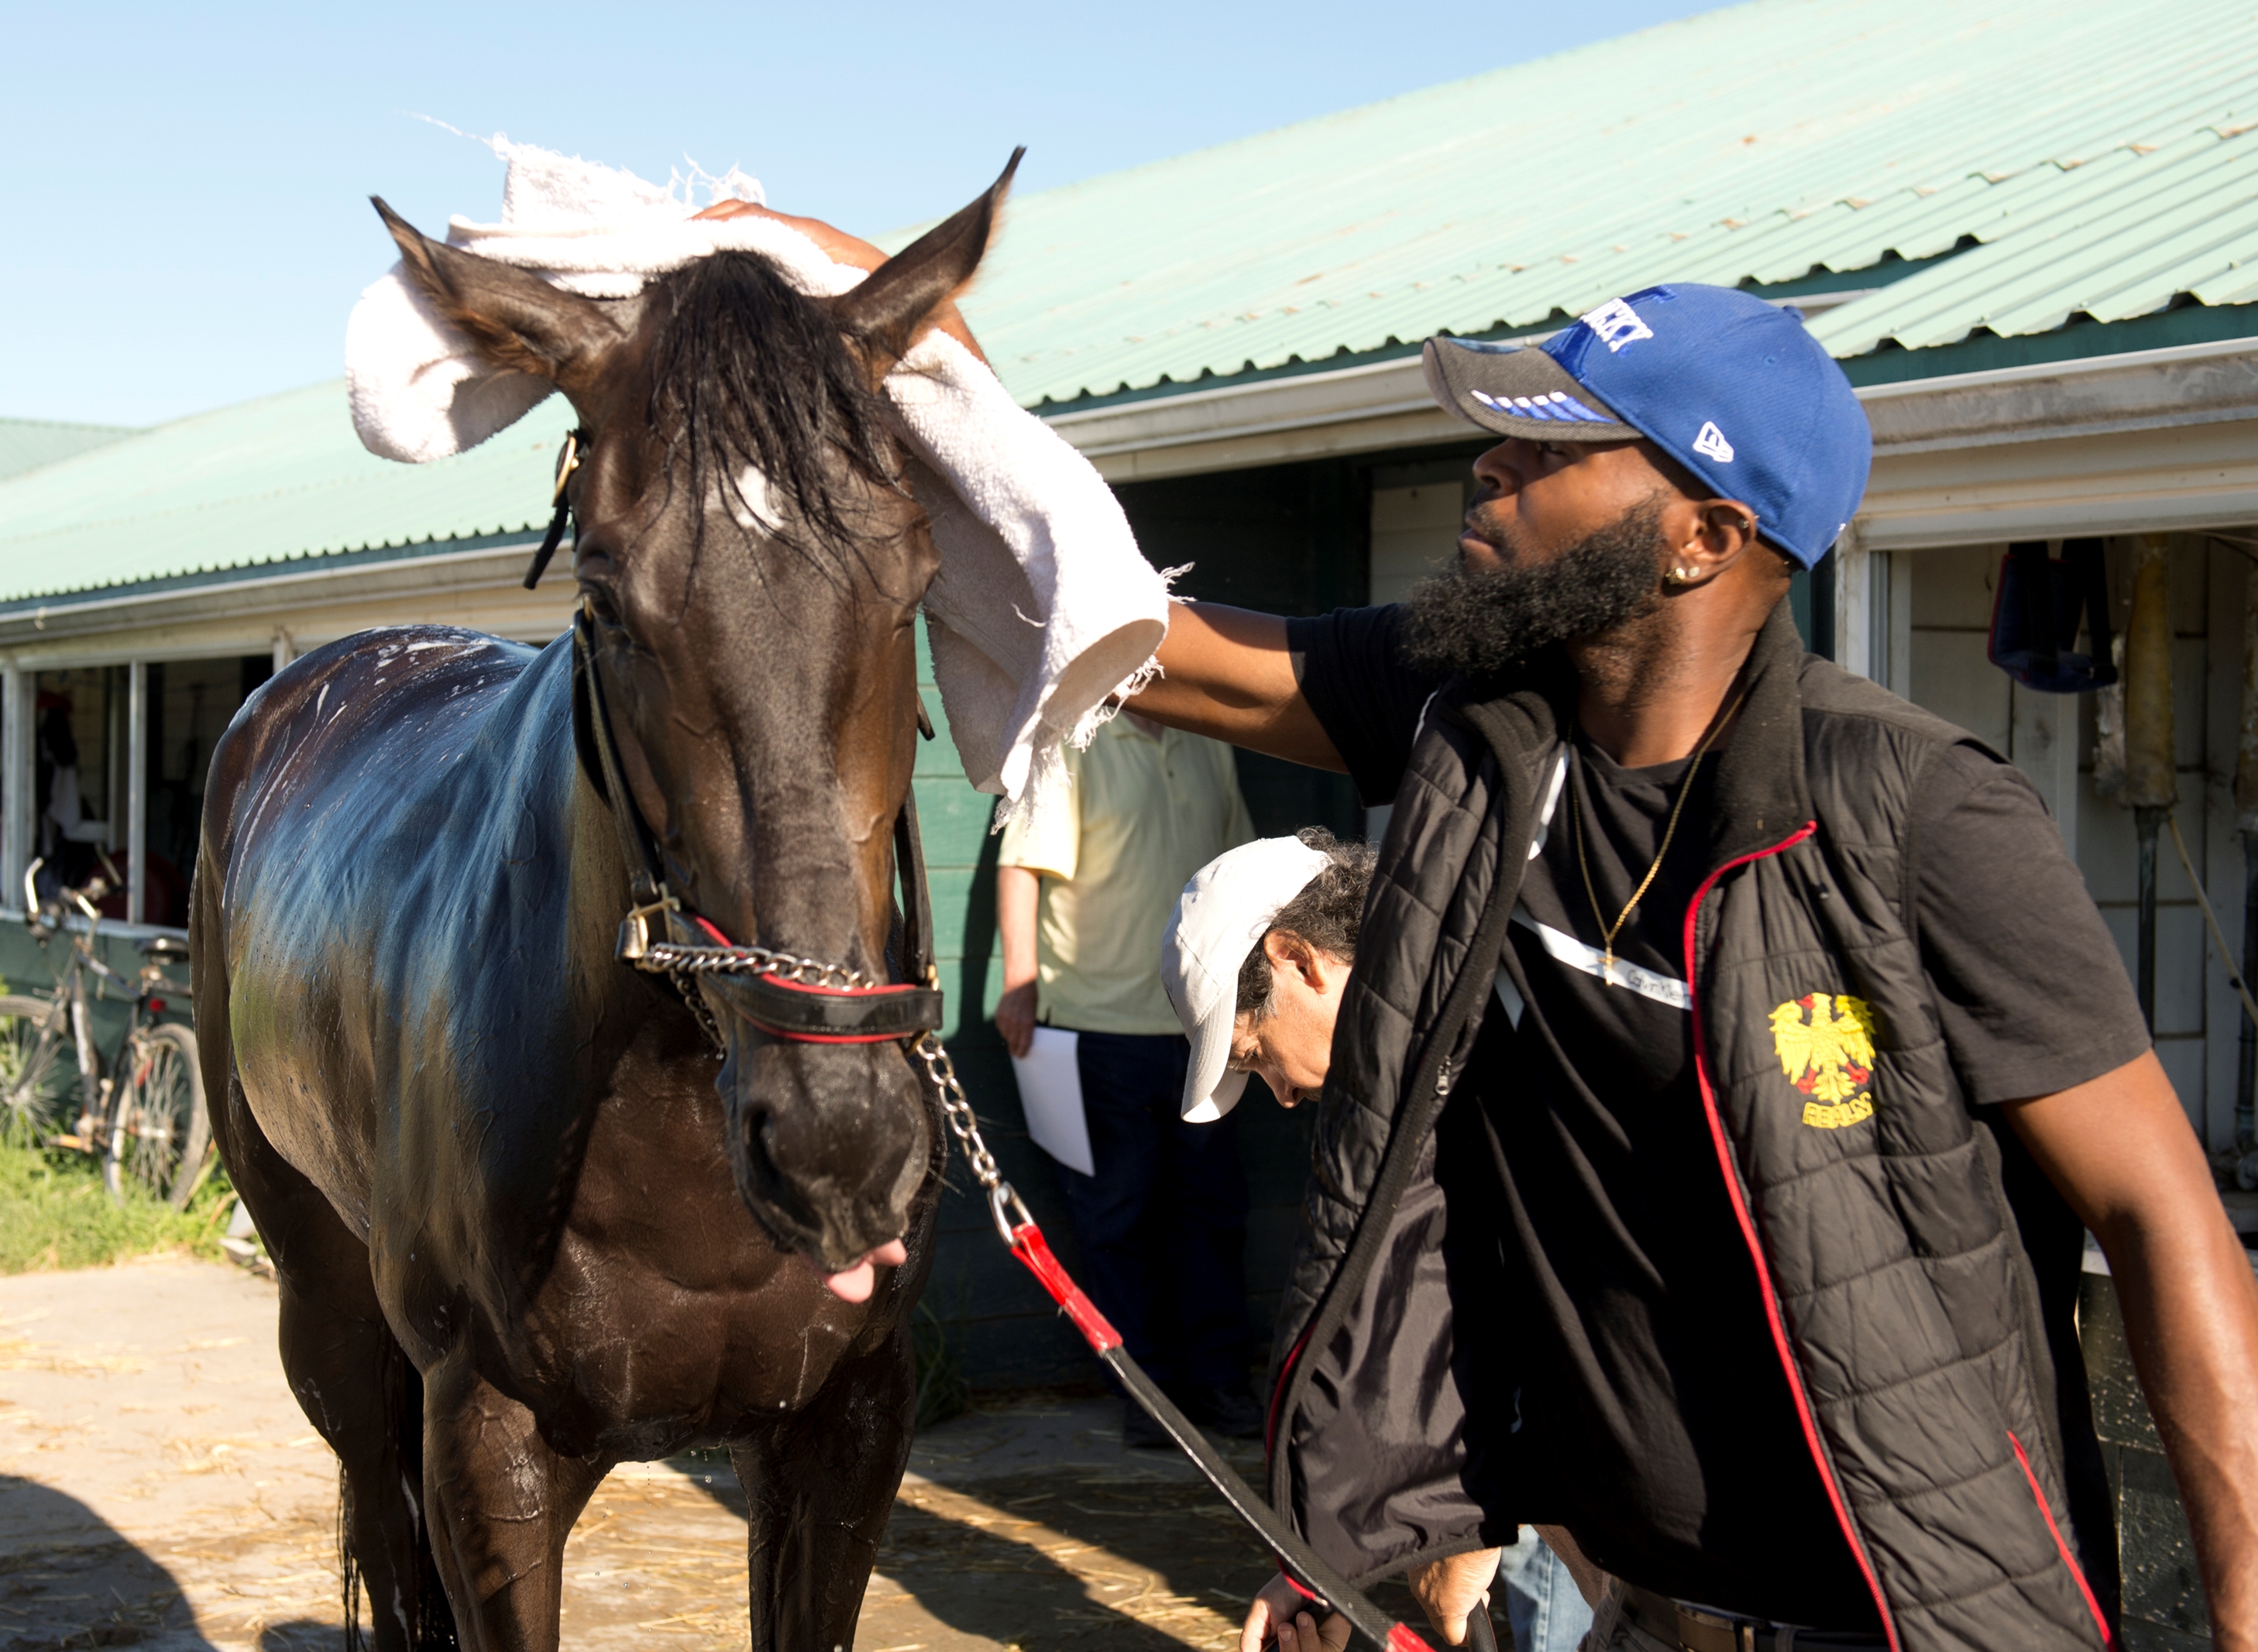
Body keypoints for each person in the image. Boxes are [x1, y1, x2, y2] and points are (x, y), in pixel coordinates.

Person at [718, 198, 2258, 1652]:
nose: (1484, 471)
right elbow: (1136, 640)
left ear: (1699, 537)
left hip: (1894, 1605)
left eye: (1548, 452)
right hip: (1627, 1596)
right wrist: (895, 327)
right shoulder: (1470, 727)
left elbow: (2162, 1217)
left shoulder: (1915, 818)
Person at [1163, 830, 1596, 1652]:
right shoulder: (1431, 1043)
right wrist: (1322, 1568)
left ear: (1298, 960)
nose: (1282, 1095)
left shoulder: (1479, 1043)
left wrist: (1330, 1559)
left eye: (1255, 1057)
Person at [996, 709, 1259, 1448]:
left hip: (1204, 1026)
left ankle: (1220, 1384)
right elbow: (1019, 862)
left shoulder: (1209, 736)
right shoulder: (1065, 742)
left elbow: (1237, 870)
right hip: (1096, 1026)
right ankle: (1148, 1399)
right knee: (1117, 1220)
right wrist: (1020, 985)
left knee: (1212, 1215)